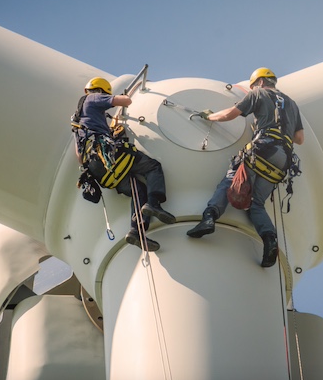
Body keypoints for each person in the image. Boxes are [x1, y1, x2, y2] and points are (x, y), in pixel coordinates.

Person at [186, 68, 304, 267]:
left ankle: (209, 218)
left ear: (258, 83)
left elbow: (231, 115)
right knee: (256, 204)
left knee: (230, 181)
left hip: (262, 148)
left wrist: (209, 117)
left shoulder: (258, 94)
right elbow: (299, 139)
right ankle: (270, 239)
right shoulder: (292, 104)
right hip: (283, 160)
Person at [73, 77, 176, 251]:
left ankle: (136, 232)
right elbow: (125, 100)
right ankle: (154, 203)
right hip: (108, 155)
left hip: (97, 168)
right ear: (101, 91)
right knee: (152, 167)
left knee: (137, 189)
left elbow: (79, 155)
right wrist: (121, 98)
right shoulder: (94, 98)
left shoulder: (77, 120)